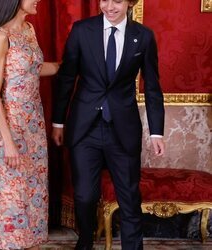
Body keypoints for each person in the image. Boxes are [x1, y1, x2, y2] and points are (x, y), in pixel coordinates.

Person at [52, 0, 165, 249]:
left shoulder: (143, 36)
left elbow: (153, 87)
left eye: (117, 0)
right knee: (84, 195)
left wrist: (157, 132)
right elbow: (66, 78)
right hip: (85, 128)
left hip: (122, 129)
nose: (109, 6)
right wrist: (58, 122)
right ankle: (85, 242)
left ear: (130, 3)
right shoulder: (82, 30)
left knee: (129, 198)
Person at [0, 0, 59, 249]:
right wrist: (9, 143)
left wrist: (66, 67)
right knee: (10, 202)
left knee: (32, 198)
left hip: (33, 128)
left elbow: (33, 69)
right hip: (9, 128)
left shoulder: (28, 30)